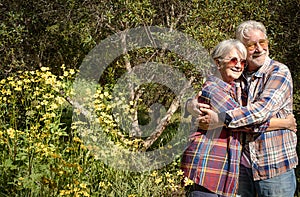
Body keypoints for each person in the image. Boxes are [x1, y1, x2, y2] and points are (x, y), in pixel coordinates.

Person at [187, 20, 298, 197]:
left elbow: (259, 112)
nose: (259, 49)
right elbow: (214, 98)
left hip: (274, 167)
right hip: (239, 167)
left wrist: (220, 120)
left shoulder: (278, 72)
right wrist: (283, 123)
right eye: (252, 45)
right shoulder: (236, 75)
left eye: (263, 42)